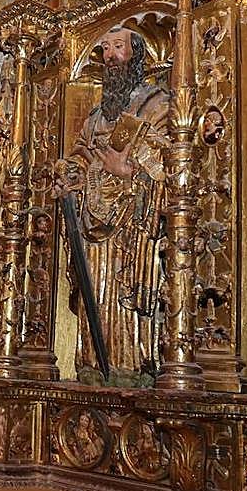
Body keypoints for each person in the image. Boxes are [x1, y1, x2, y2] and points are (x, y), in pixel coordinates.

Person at [56, 27, 169, 386]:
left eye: (118, 46)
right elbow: (79, 153)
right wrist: (68, 174)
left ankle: (133, 368)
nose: (109, 55)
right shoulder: (96, 116)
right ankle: (91, 363)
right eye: (105, 48)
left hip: (133, 225)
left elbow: (171, 157)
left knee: (125, 292)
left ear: (136, 54)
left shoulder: (155, 103)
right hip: (93, 222)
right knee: (98, 290)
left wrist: (129, 170)